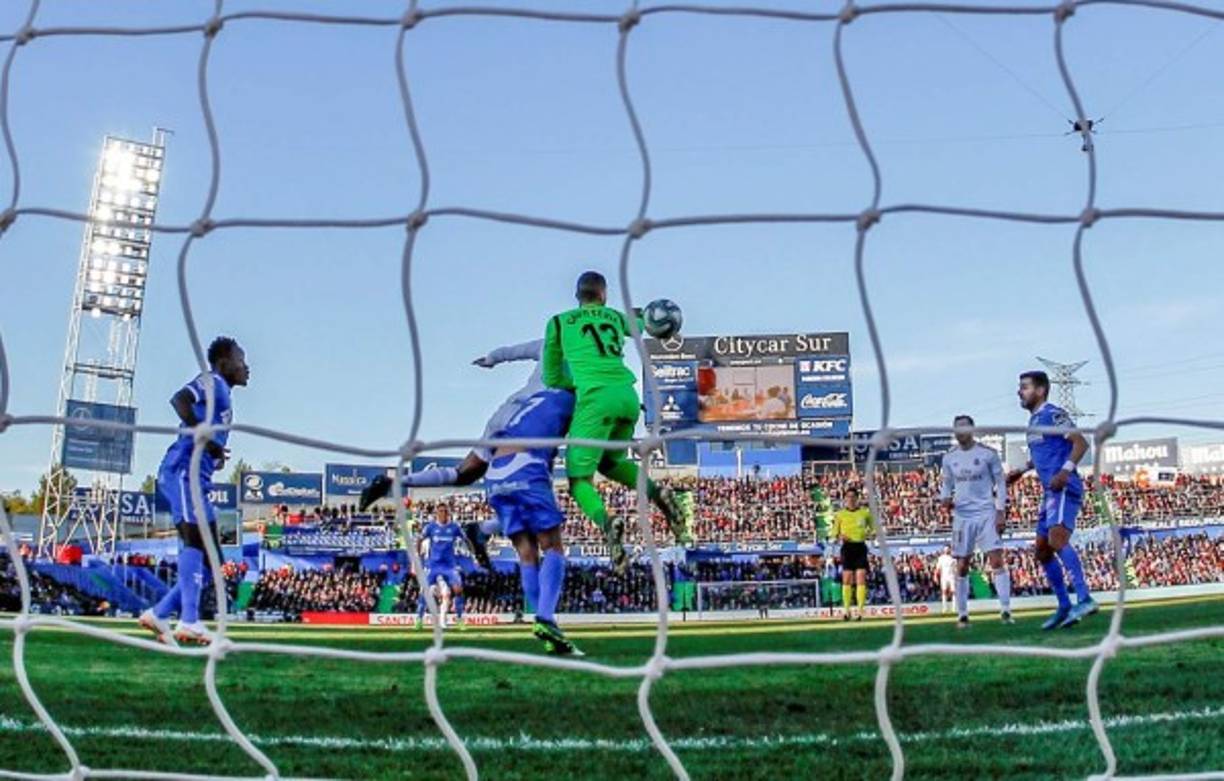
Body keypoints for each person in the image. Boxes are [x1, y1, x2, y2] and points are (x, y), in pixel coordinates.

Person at [540, 270, 692, 573]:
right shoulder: (614, 317)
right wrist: (643, 314)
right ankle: (658, 493)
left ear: (577, 295)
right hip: (626, 396)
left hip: (594, 400)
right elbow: (644, 325)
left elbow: (552, 375)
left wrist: (573, 384)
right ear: (603, 294)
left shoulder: (558, 322)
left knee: (579, 480)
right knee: (610, 463)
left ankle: (608, 523)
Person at [357, 338, 547, 568]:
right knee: (535, 499)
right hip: (534, 420)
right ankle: (481, 530)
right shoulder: (594, 358)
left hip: (508, 410)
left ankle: (393, 481)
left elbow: (517, 351)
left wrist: (492, 358)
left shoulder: (554, 338)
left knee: (465, 473)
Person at [139, 337, 251, 646]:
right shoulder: (212, 381)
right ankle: (188, 620)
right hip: (182, 473)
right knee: (194, 539)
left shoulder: (225, 395)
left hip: (198, 480)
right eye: (241, 359)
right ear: (224, 362)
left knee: (212, 558)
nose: (246, 366)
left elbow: (206, 434)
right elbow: (179, 400)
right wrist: (205, 436)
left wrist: (214, 452)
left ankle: (160, 613)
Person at [483, 385, 581, 654]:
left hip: (494, 475)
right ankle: (546, 618)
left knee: (527, 554)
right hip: (525, 466)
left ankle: (548, 632)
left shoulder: (531, 400)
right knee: (553, 547)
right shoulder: (577, 396)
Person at [1008, 371, 1098, 630]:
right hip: (1050, 491)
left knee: (1057, 541)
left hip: (1063, 486)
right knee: (1041, 550)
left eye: (1024, 387)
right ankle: (1064, 605)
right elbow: (1045, 454)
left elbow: (1080, 443)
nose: (1019, 392)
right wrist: (1023, 470)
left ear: (1040, 390)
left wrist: (1065, 470)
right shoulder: (1034, 423)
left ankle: (1084, 598)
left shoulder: (1053, 414)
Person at [940, 414, 1013, 627]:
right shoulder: (949, 458)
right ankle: (962, 614)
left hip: (986, 513)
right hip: (962, 516)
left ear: (972, 430)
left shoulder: (988, 454)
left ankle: (1006, 610)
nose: (960, 432)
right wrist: (944, 497)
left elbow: (1000, 483)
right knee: (962, 564)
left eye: (964, 428)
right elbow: (946, 484)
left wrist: (1000, 511)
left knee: (996, 559)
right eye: (957, 429)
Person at [416, 504, 465, 628]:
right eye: (440, 511)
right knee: (424, 591)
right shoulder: (430, 527)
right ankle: (419, 619)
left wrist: (475, 553)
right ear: (437, 513)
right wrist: (418, 556)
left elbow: (466, 539)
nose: (443, 513)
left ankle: (459, 620)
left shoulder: (454, 527)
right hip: (433, 565)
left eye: (445, 511)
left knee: (458, 590)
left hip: (449, 566)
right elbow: (419, 539)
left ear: (448, 513)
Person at [830, 487, 873, 621]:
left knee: (861, 578)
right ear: (845, 499)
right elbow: (833, 534)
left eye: (853, 496)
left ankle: (860, 611)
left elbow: (874, 529)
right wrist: (840, 536)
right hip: (847, 548)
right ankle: (846, 611)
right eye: (848, 496)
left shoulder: (865, 513)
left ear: (857, 498)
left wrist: (868, 534)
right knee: (847, 579)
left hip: (860, 546)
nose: (850, 499)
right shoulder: (840, 515)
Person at [935, 546, 956, 615]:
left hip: (952, 576)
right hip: (944, 577)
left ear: (950, 550)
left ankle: (954, 608)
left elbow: (955, 569)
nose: (946, 550)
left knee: (953, 592)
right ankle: (944, 608)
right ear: (944, 550)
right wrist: (935, 576)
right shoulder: (941, 558)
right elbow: (938, 568)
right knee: (944, 591)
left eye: (948, 549)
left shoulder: (953, 558)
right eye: (945, 549)